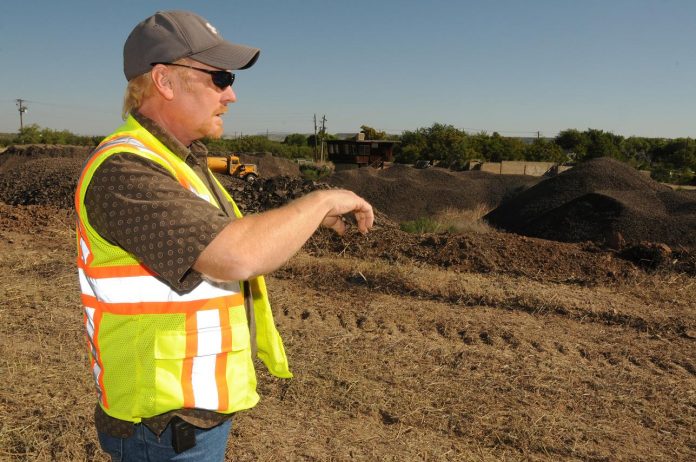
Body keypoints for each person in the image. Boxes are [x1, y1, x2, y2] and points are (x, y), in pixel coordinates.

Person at [74, 10, 373, 461]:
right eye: (219, 76)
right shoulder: (124, 170)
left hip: (189, 414)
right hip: (160, 425)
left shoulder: (180, 162)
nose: (231, 94)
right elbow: (237, 254)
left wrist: (306, 221)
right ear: (165, 81)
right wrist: (321, 201)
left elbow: (229, 237)